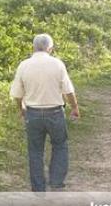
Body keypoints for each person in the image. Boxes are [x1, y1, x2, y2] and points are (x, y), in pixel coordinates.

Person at [10, 33, 80, 192]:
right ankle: (56, 182)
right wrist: (75, 107)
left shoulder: (24, 65)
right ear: (51, 48)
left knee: (35, 151)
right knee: (60, 145)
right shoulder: (57, 64)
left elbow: (17, 94)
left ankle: (38, 188)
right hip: (55, 113)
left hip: (33, 114)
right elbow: (68, 91)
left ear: (33, 47)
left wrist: (21, 108)